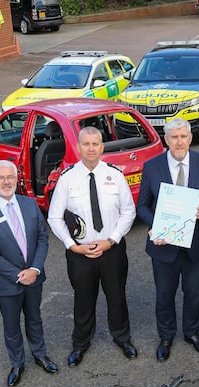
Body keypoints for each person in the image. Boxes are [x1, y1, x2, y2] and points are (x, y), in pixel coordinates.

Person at [47, 126, 138, 367]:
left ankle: (122, 338)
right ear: (78, 147)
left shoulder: (115, 175)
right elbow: (54, 217)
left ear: (101, 147)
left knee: (117, 297)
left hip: (112, 249)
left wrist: (111, 240)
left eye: (95, 144)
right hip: (80, 253)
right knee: (83, 299)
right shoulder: (67, 179)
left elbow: (128, 212)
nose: (90, 148)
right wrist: (72, 246)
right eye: (86, 144)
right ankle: (80, 344)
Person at [137, 118, 199, 362]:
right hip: (164, 246)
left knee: (194, 292)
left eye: (183, 136)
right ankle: (166, 337)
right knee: (165, 294)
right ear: (166, 139)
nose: (179, 142)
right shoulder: (152, 166)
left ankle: (192, 333)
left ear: (190, 138)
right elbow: (142, 206)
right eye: (174, 137)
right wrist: (156, 226)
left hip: (196, 244)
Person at [0, 160, 57, 387]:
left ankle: (40, 355)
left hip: (35, 276)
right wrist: (20, 275)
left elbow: (42, 238)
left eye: (10, 177)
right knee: (11, 325)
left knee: (35, 318)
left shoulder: (29, 205)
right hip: (7, 282)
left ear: (16, 178)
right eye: (0, 178)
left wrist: (35, 269)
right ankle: (17, 363)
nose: (6, 182)